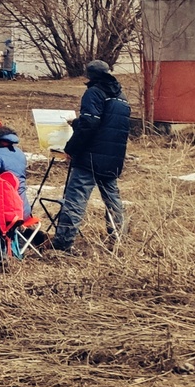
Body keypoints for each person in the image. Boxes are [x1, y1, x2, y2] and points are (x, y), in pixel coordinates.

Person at [52, 60, 131, 252]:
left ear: (90, 76)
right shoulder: (121, 97)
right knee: (112, 199)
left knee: (76, 199)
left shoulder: (93, 93)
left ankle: (63, 243)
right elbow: (108, 125)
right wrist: (80, 123)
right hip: (113, 158)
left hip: (90, 157)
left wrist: (71, 148)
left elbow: (90, 124)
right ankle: (118, 238)